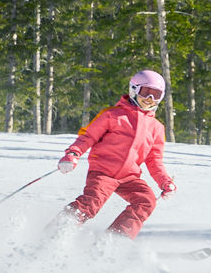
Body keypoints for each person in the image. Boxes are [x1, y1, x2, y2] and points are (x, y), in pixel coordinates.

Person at [54, 70, 178, 239]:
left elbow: (154, 159)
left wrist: (165, 182)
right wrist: (73, 154)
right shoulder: (112, 115)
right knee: (91, 202)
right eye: (145, 92)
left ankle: (116, 239)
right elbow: (88, 136)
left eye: (156, 95)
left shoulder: (156, 128)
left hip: (129, 177)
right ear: (134, 89)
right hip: (103, 172)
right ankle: (58, 229)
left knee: (146, 200)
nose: (149, 99)